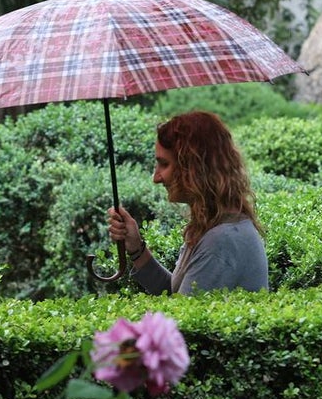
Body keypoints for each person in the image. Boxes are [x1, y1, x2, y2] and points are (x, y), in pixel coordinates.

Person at [107, 111, 268, 295]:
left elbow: (182, 319)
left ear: (193, 168)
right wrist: (136, 248)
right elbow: (175, 293)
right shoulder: (213, 225)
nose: (156, 177)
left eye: (164, 164)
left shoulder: (220, 242)